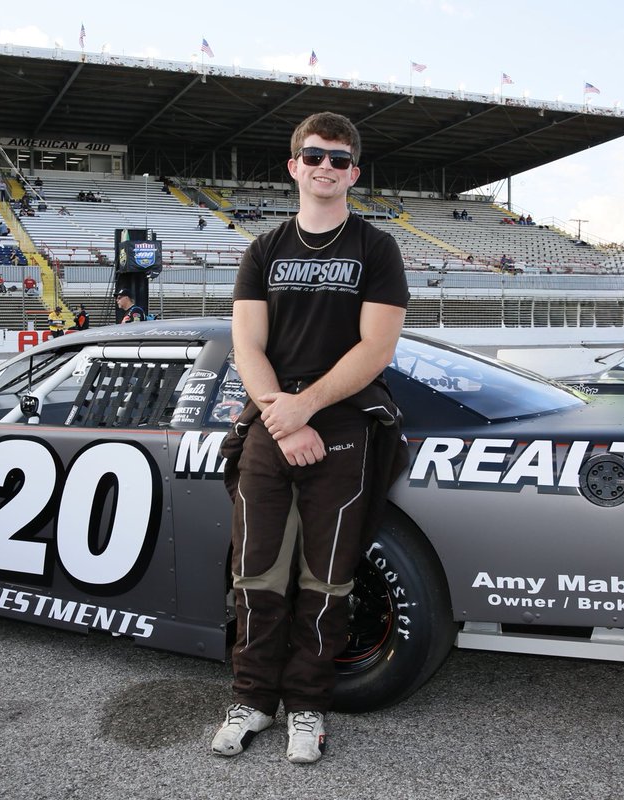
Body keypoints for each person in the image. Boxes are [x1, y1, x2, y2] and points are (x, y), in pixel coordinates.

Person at [210, 112, 408, 764]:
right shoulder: (263, 248)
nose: (327, 167)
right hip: (272, 419)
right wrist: (281, 416)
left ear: (354, 172)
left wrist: (308, 408)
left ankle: (308, 706)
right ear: (294, 165)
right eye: (315, 155)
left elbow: (376, 348)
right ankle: (252, 700)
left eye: (341, 159)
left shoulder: (376, 249)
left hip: (345, 420)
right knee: (257, 574)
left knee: (326, 581)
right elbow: (247, 346)